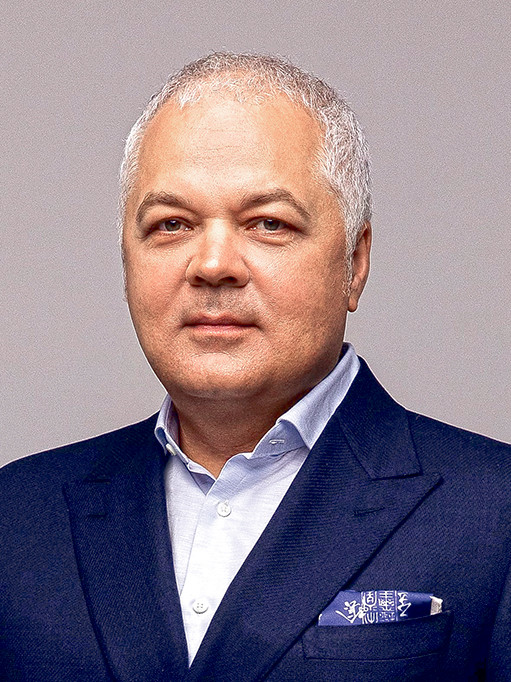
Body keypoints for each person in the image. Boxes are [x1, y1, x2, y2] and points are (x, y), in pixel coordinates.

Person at [1, 52, 510, 682]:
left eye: (268, 223)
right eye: (172, 224)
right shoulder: (18, 516)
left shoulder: (494, 511)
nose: (213, 264)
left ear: (355, 263)